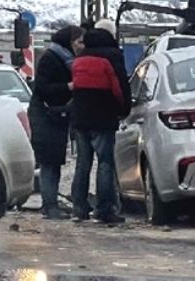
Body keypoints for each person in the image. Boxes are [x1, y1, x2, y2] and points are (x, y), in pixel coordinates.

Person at [70, 27, 131, 224]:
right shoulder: (112, 57)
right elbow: (119, 87)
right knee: (105, 163)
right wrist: (124, 109)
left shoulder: (78, 60)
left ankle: (79, 208)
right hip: (103, 118)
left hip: (80, 119)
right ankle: (104, 209)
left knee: (82, 163)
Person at [28, 25, 84, 219]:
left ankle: (51, 204)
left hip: (57, 115)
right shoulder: (51, 59)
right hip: (45, 116)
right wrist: (68, 86)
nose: (80, 46)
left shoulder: (65, 59)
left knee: (54, 161)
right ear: (68, 42)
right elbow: (43, 88)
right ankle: (49, 205)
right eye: (78, 41)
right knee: (49, 162)